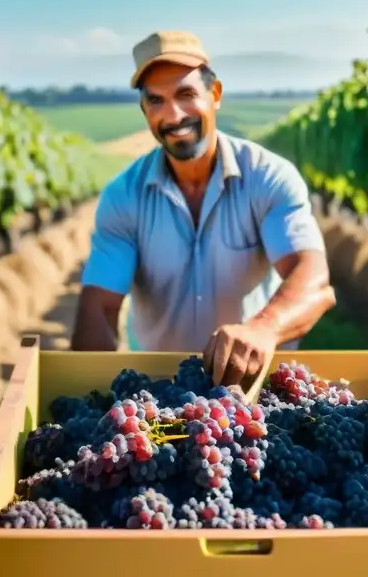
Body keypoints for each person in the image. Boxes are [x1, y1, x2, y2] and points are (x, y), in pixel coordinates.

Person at [71, 30, 335, 386]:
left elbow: (312, 276)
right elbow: (99, 309)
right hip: (158, 394)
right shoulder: (123, 197)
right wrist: (86, 392)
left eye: (186, 94)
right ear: (144, 110)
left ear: (216, 94)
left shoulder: (267, 177)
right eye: (156, 101)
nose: (173, 115)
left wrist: (264, 328)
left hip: (252, 392)